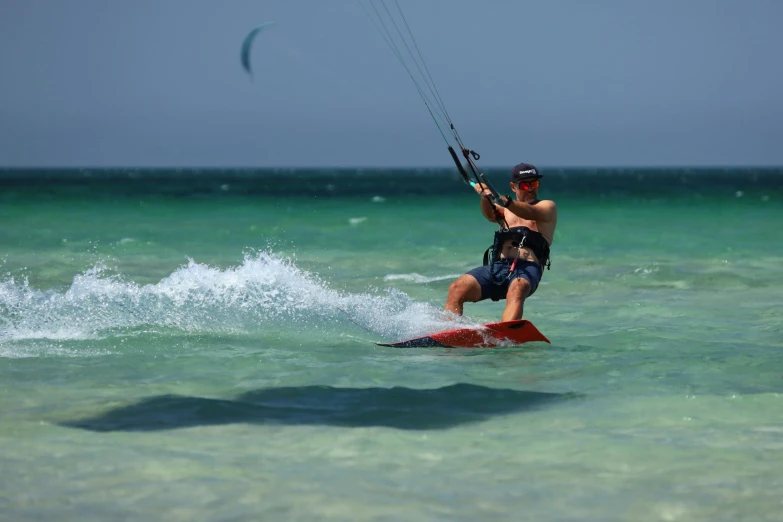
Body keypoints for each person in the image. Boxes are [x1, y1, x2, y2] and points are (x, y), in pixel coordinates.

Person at [444, 163, 558, 321]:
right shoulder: (505, 210)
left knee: (517, 288)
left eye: (534, 183)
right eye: (525, 184)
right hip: (498, 267)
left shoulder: (547, 206)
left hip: (528, 268)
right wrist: (485, 197)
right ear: (513, 186)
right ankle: (448, 332)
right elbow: (490, 214)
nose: (531, 188)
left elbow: (529, 211)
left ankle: (507, 333)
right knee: (457, 288)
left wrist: (506, 201)